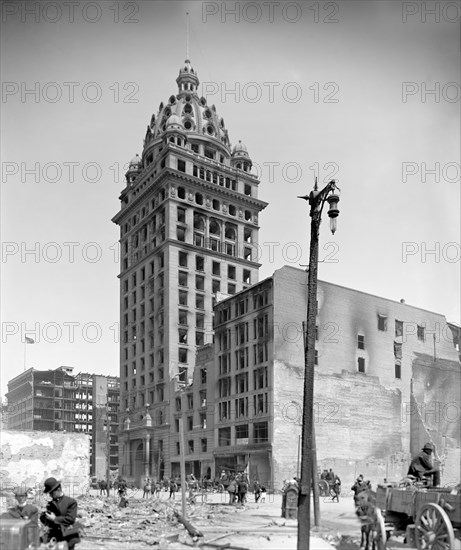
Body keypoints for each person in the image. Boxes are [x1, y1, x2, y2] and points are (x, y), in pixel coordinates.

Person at [40, 477, 81, 550]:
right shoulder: (51, 503)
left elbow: (70, 519)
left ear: (58, 489)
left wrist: (55, 519)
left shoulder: (71, 502)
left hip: (68, 536)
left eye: (52, 493)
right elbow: (49, 523)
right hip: (55, 536)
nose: (50, 495)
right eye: (49, 493)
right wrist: (44, 516)